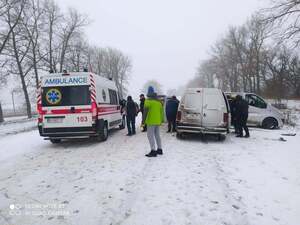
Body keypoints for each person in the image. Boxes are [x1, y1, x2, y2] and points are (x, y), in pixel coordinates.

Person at [142, 86, 164, 157]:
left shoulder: (148, 101)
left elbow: (145, 112)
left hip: (151, 121)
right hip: (157, 121)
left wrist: (143, 122)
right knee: (157, 135)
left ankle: (153, 151)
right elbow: (162, 112)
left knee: (150, 135)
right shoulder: (159, 102)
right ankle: (160, 149)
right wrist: (161, 120)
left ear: (148, 93)